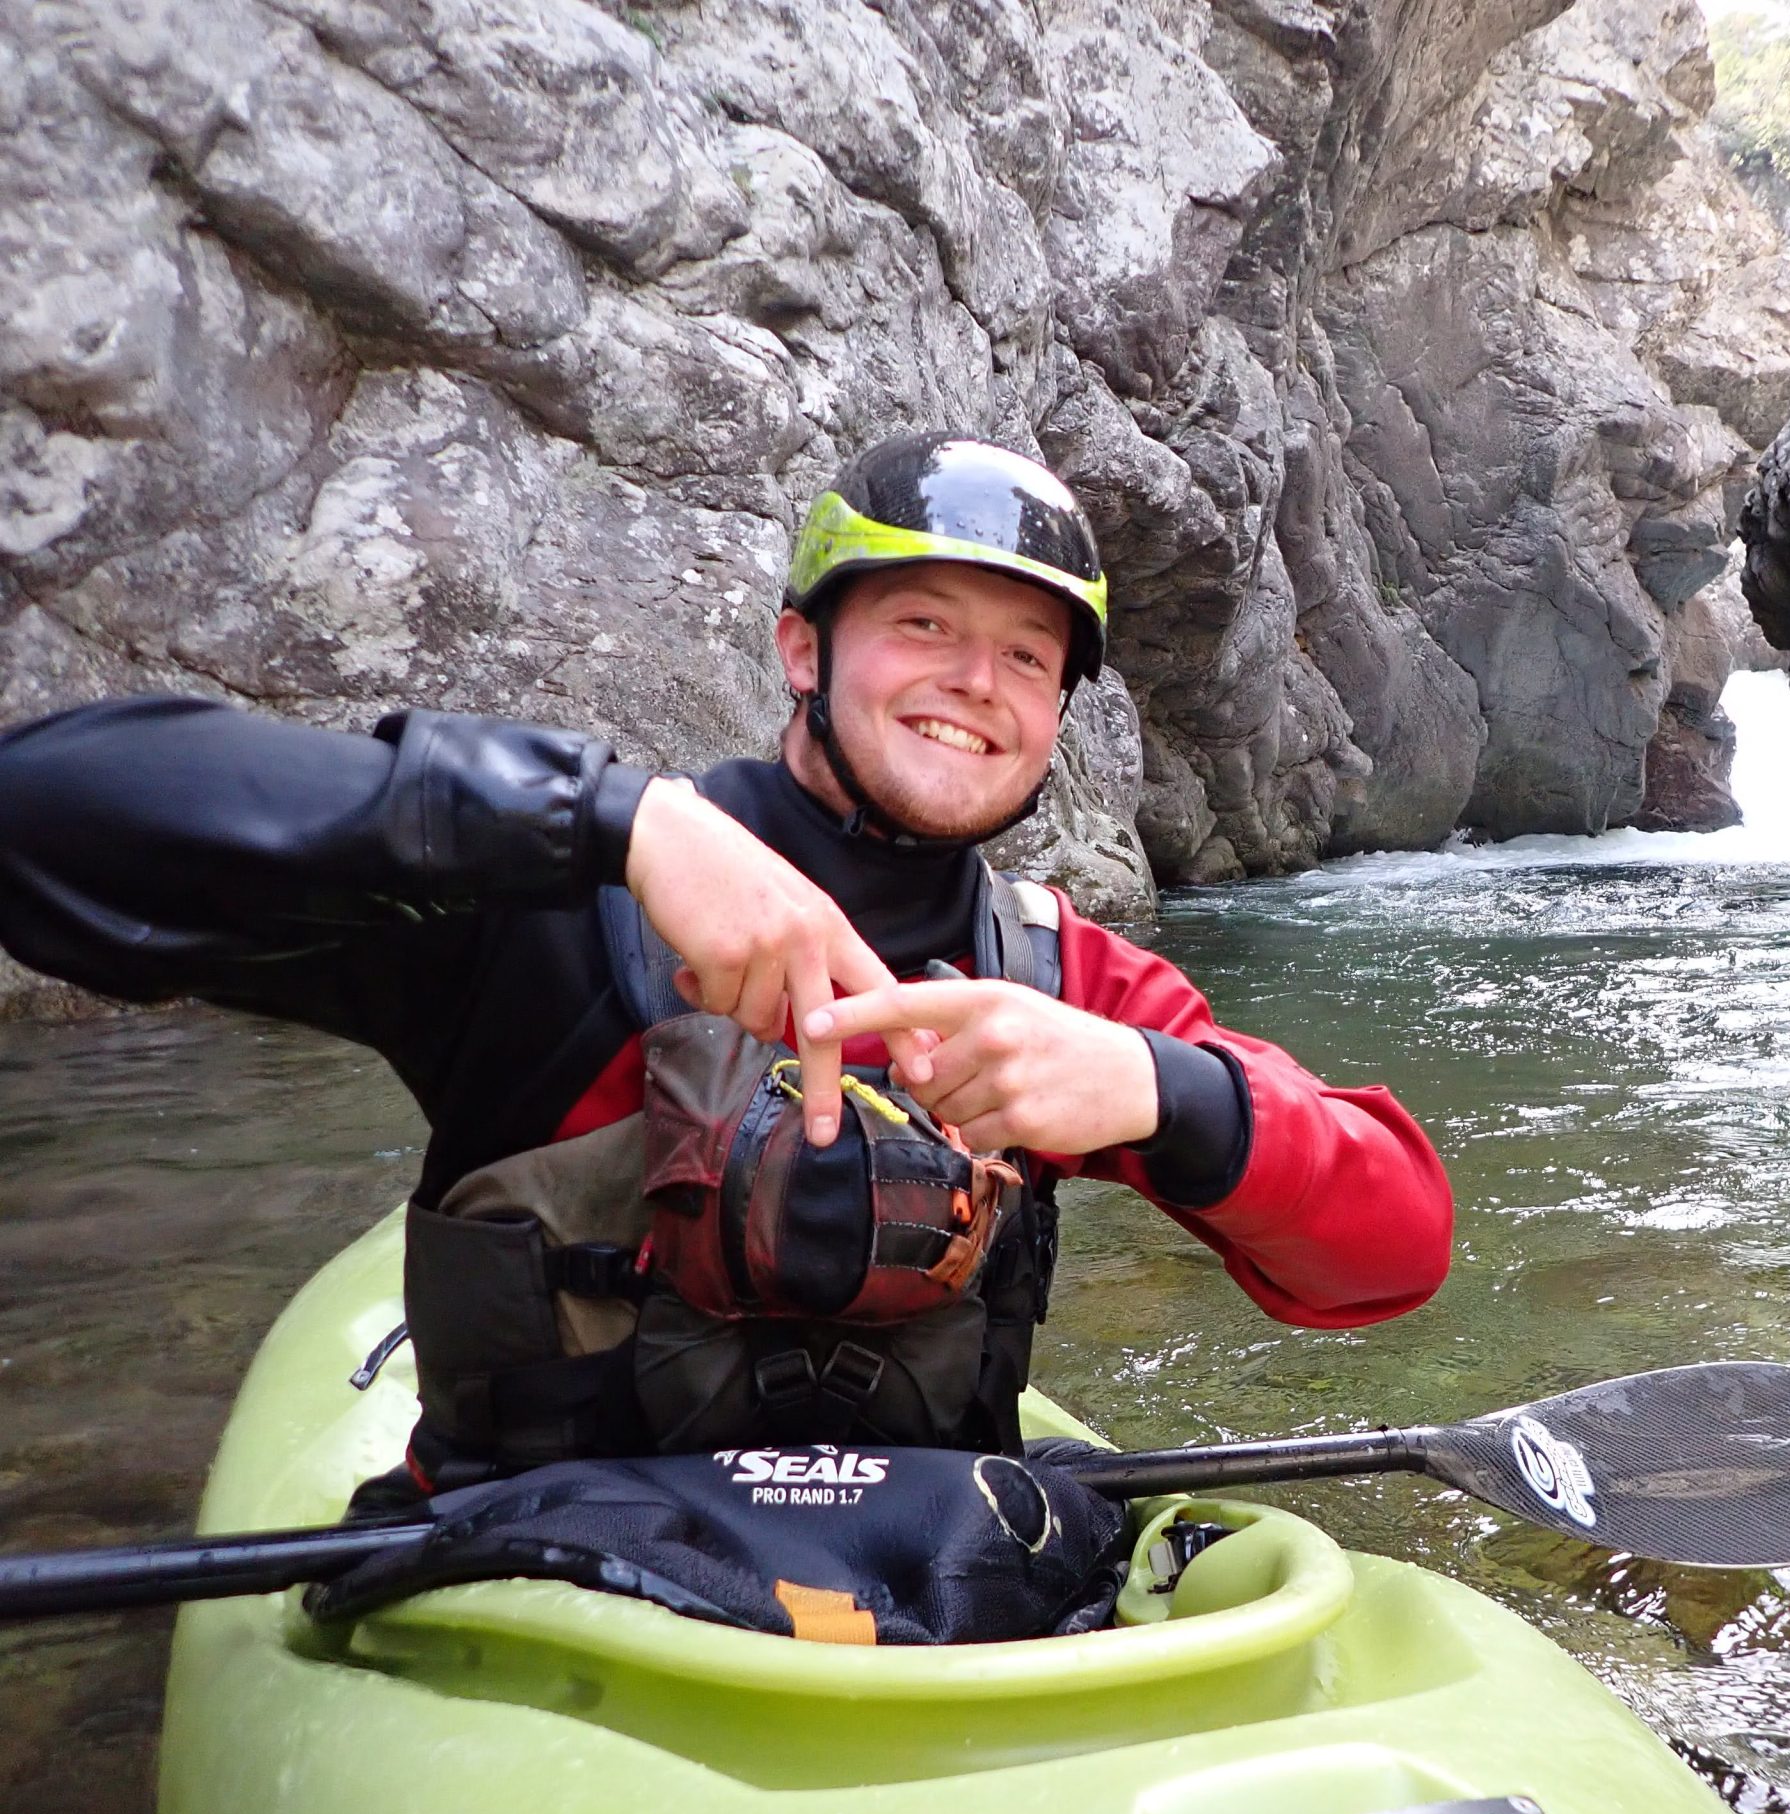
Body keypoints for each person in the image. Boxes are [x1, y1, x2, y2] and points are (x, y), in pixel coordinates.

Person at [0, 434, 1453, 1497]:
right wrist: (607, 820)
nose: (977, 684)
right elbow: (45, 822)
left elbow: (1396, 1251)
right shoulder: (562, 910)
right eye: (925, 625)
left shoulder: (1056, 979)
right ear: (803, 653)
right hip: (545, 1603)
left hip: (919, 1600)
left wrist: (1162, 1091)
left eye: (1028, 658)